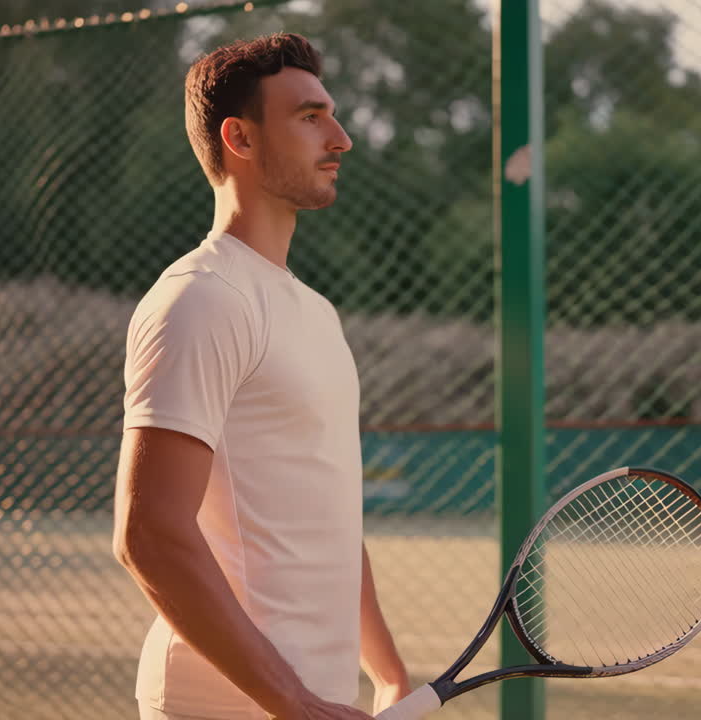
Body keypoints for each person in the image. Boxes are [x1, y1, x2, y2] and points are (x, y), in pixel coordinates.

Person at [112, 33, 409, 720]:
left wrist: (388, 672)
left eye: (331, 113)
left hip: (306, 699)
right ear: (239, 139)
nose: (340, 138)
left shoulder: (317, 313)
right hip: (229, 705)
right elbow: (148, 532)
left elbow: (326, 513)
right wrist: (291, 701)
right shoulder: (201, 299)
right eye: (310, 117)